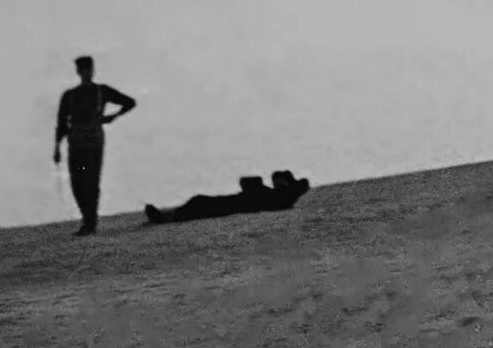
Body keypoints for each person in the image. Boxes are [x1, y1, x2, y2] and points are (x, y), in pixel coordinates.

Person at [53, 55, 138, 236]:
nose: (86, 73)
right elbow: (61, 123)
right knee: (77, 183)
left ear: (92, 70)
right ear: (78, 72)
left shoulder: (102, 91)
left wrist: (112, 117)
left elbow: (129, 102)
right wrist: (56, 148)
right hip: (76, 144)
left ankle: (89, 224)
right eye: (82, 70)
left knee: (90, 181)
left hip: (92, 144)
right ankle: (88, 220)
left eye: (88, 69)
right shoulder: (69, 96)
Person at [145, 170, 311, 225]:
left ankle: (165, 218)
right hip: (234, 203)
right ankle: (167, 217)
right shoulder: (277, 197)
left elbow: (247, 184)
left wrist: (259, 184)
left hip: (232, 205)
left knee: (200, 204)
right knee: (199, 203)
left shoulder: (278, 199)